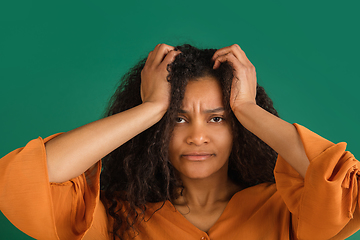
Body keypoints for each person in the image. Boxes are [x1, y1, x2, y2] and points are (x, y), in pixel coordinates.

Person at [0, 43, 359, 240]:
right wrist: (151, 108)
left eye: (218, 118)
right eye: (178, 119)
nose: (198, 136)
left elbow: (347, 190)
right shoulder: (115, 216)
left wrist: (248, 109)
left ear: (238, 128)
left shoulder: (286, 210)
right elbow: (24, 180)